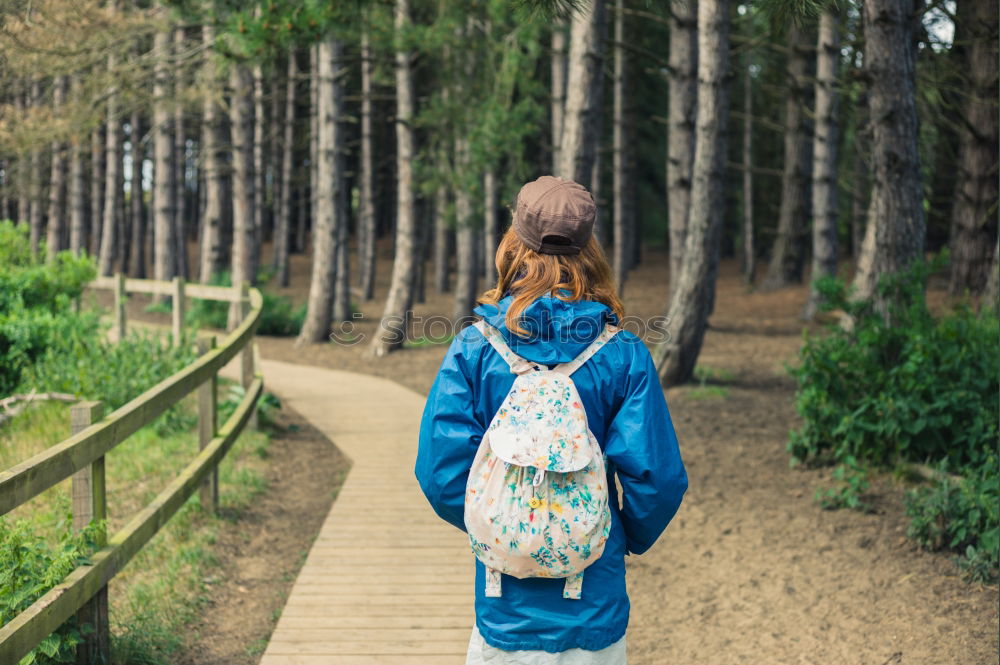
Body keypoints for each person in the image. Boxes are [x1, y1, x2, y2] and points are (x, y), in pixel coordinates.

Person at [416, 175, 688, 665]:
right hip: (592, 602)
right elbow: (658, 479)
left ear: (513, 245)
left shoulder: (476, 348)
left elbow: (440, 472)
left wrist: (501, 526)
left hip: (504, 606)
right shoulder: (622, 353)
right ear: (591, 249)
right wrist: (615, 534)